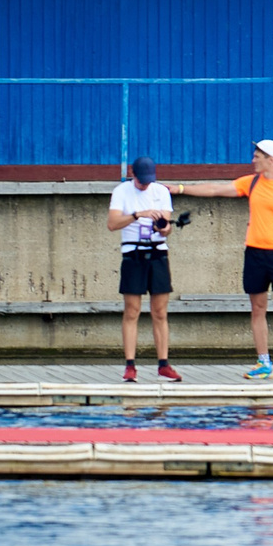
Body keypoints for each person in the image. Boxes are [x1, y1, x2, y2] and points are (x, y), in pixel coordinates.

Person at [175, 139, 273, 383]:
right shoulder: (252, 182)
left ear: (270, 159)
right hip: (255, 254)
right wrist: (180, 189)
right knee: (257, 308)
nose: (253, 160)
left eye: (257, 156)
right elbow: (215, 189)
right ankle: (263, 362)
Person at [105, 156, 181, 384]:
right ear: (133, 174)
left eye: (148, 181)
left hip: (158, 252)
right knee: (132, 310)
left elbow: (166, 229)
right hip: (133, 253)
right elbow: (112, 224)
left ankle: (163, 364)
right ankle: (130, 365)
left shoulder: (160, 191)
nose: (145, 185)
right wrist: (138, 215)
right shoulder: (121, 191)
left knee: (160, 312)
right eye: (141, 181)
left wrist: (163, 225)